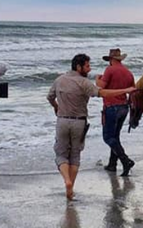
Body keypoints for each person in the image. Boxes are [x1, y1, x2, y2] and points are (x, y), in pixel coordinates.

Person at [47, 54, 136, 200]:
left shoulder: (59, 80)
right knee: (75, 155)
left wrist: (56, 106)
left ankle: (67, 181)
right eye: (87, 66)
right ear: (78, 67)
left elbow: (50, 97)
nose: (90, 69)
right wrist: (125, 91)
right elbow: (102, 92)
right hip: (80, 123)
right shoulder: (84, 82)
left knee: (61, 154)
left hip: (62, 121)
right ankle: (71, 186)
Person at [96, 48, 136, 176]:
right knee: (115, 136)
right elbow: (133, 91)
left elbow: (100, 87)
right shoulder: (128, 72)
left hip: (111, 107)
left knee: (108, 137)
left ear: (111, 59)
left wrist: (97, 79)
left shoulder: (110, 70)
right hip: (124, 107)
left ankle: (125, 160)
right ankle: (112, 164)